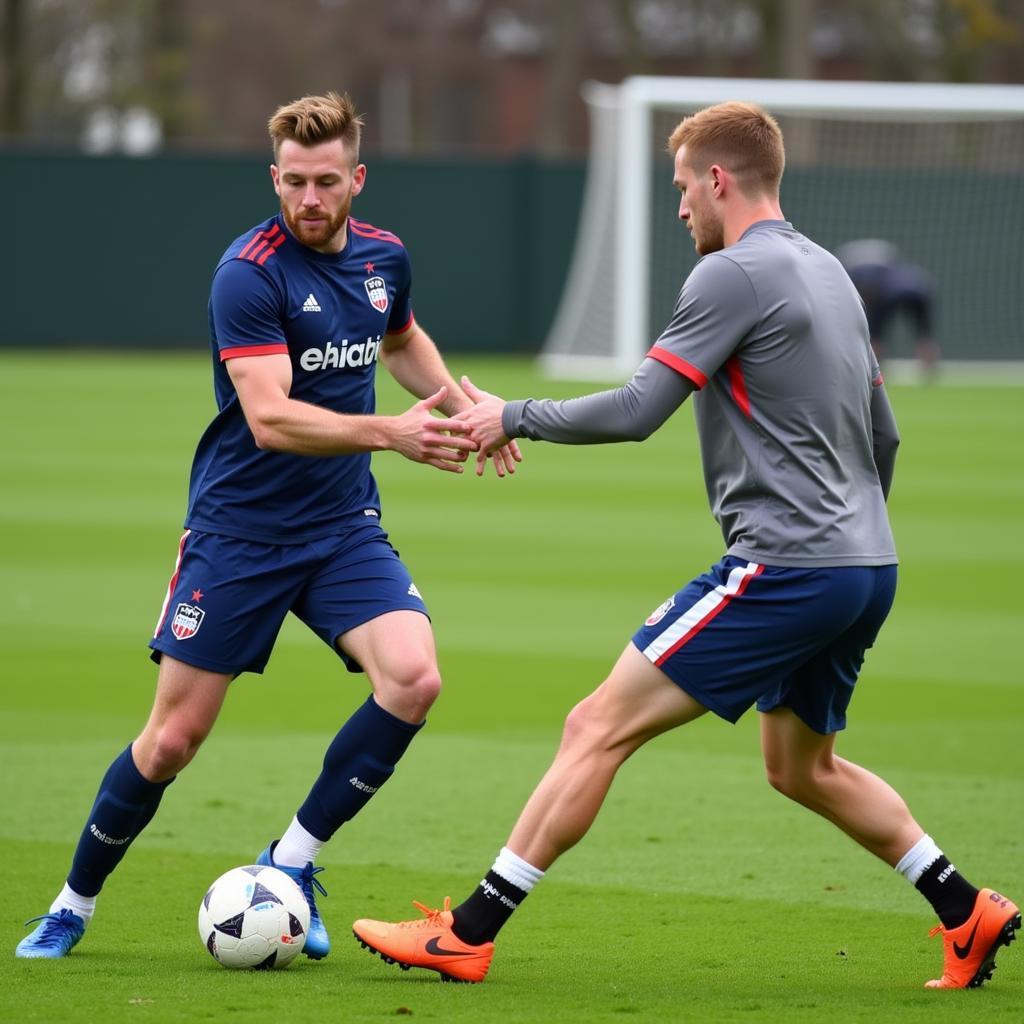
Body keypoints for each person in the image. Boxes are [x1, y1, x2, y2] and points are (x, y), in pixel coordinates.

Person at [351, 101, 1019, 990]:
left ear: (717, 180)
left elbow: (636, 412)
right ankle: (965, 910)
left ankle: (469, 931)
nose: (679, 210)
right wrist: (849, 539)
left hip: (788, 564)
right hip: (867, 564)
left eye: (681, 189)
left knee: (596, 725)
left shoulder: (730, 276)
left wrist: (507, 417)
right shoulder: (830, 276)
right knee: (801, 766)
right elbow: (884, 434)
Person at [16, 90, 520, 961]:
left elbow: (398, 340)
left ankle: (290, 863)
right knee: (172, 739)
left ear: (356, 178)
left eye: (328, 181)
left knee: (414, 679)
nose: (311, 199)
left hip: (340, 529)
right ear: (274, 178)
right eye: (295, 182)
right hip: (239, 533)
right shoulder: (248, 273)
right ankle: (72, 903)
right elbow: (271, 418)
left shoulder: (384, 258)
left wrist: (469, 406)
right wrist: (393, 434)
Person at [836, 238, 940, 374]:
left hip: (887, 294)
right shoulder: (900, 272)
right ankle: (929, 370)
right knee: (924, 336)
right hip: (919, 292)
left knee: (875, 337)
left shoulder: (847, 270)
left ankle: (875, 372)